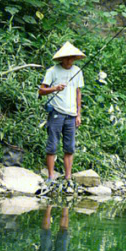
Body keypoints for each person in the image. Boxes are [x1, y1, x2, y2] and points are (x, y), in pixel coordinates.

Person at [39, 41, 84, 187]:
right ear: (62, 58)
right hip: (57, 112)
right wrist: (55, 88)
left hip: (71, 115)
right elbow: (41, 90)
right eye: (67, 58)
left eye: (72, 58)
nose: (69, 61)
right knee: (52, 145)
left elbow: (78, 93)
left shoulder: (77, 71)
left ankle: (68, 178)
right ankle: (51, 177)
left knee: (69, 147)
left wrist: (78, 114)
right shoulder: (52, 71)